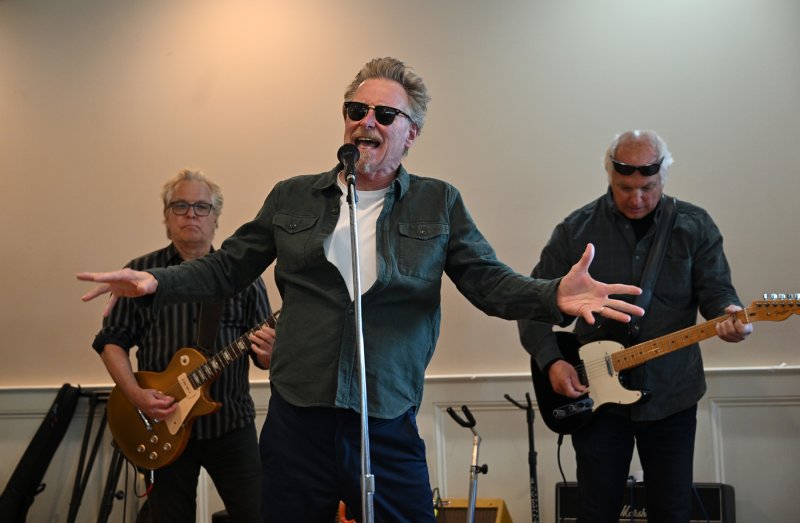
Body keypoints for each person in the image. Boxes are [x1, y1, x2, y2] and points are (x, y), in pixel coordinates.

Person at [79, 58, 644, 523]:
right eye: (356, 110)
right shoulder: (293, 197)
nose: (365, 121)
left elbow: (487, 282)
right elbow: (228, 268)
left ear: (410, 132)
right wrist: (156, 280)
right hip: (299, 416)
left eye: (383, 113)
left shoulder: (438, 202)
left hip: (385, 414)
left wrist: (553, 297)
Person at [518, 130, 752, 522]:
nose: (637, 198)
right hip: (596, 398)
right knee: (595, 510)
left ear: (663, 178)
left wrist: (730, 315)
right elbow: (533, 305)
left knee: (673, 509)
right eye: (624, 187)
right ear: (609, 175)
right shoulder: (575, 230)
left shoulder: (694, 225)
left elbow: (717, 293)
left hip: (672, 394)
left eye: (648, 187)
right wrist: (552, 362)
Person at [90, 169, 275, 523]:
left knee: (258, 514)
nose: (191, 214)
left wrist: (270, 355)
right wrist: (134, 395)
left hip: (230, 424)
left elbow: (264, 356)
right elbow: (111, 341)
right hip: (158, 422)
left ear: (216, 217)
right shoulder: (140, 274)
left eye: (202, 207)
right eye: (181, 206)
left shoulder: (246, 278)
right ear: (166, 216)